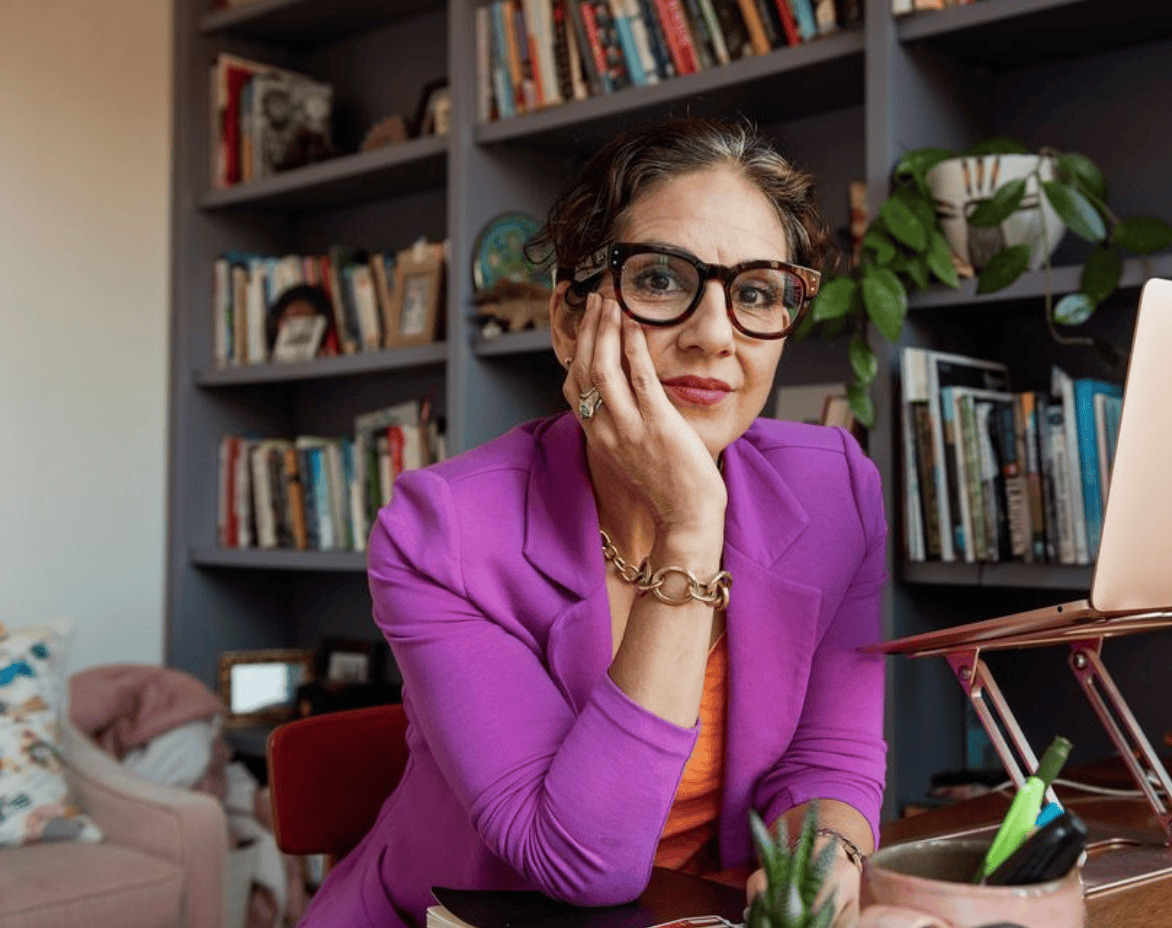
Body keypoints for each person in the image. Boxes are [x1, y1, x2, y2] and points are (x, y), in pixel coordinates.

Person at [298, 117, 888, 928]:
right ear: (572, 323)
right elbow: (580, 862)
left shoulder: (837, 492)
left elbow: (829, 761)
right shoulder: (442, 531)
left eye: (756, 293)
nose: (716, 334)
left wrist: (821, 864)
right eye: (659, 279)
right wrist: (689, 525)